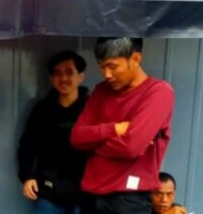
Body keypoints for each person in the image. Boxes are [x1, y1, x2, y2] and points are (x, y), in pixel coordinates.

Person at [71, 37, 175, 214]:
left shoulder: (159, 92)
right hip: (90, 195)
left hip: (128, 200)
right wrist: (115, 129)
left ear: (135, 59)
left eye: (112, 66)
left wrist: (93, 145)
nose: (106, 74)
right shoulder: (101, 90)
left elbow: (131, 147)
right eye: (102, 67)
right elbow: (76, 137)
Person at [18, 50, 90, 214]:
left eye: (69, 72)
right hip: (49, 191)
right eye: (58, 73)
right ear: (51, 79)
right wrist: (27, 176)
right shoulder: (42, 109)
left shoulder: (92, 108)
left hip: (85, 192)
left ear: (81, 76)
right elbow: (27, 146)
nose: (63, 78)